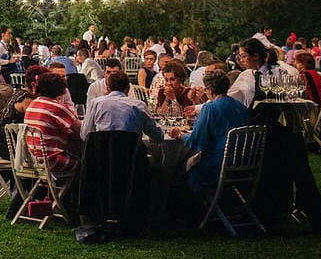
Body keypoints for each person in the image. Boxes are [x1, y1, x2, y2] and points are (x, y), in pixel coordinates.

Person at [171, 68, 249, 196]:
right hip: (243, 164)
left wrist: (179, 135)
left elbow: (196, 140)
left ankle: (189, 209)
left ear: (210, 90)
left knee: (177, 168)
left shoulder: (211, 108)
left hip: (217, 167)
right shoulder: (240, 106)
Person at [80, 71, 164, 142]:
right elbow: (158, 136)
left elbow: (84, 135)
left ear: (108, 88)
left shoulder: (95, 104)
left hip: (102, 158)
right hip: (132, 158)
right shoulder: (139, 106)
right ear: (128, 89)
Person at [23, 73, 81, 175]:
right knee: (85, 163)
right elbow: (82, 129)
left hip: (32, 159)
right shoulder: (57, 107)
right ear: (61, 90)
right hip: (51, 160)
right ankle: (76, 190)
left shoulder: (33, 104)